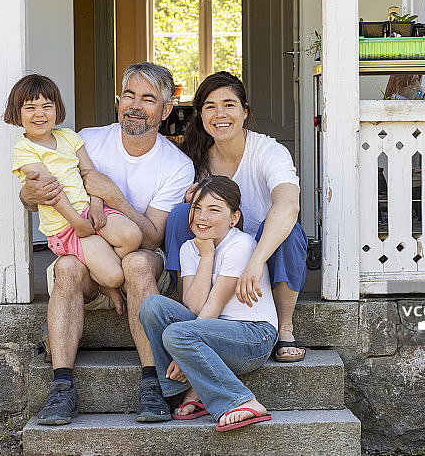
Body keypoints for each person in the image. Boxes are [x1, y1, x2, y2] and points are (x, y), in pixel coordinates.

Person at [20, 63, 195, 425]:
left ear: (165, 110)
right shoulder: (88, 140)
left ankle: (154, 382)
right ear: (119, 101)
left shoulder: (176, 165)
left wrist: (115, 196)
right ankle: (62, 385)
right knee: (67, 266)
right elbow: (37, 194)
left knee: (137, 263)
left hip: (138, 258)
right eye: (129, 95)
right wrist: (28, 193)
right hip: (85, 255)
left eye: (148, 99)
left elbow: (153, 237)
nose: (135, 105)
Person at [164, 71, 308, 362]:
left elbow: (289, 205)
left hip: (262, 254)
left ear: (245, 112)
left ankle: (284, 328)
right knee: (182, 213)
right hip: (213, 254)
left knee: (290, 230)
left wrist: (255, 261)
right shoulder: (192, 157)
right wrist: (189, 198)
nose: (220, 114)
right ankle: (190, 311)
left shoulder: (268, 151)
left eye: (229, 104)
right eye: (210, 106)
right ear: (200, 115)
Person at [139, 176, 278, 431]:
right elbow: (193, 305)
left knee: (177, 334)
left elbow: (212, 306)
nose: (202, 217)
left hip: (252, 336)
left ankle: (241, 400)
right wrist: (207, 254)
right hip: (211, 333)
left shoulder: (241, 244)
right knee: (152, 306)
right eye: (197, 208)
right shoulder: (189, 249)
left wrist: (182, 356)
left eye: (214, 210)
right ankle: (184, 388)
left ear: (233, 218)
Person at [5, 74, 143, 293]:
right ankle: (104, 279)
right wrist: (78, 223)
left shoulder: (69, 137)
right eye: (30, 108)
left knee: (133, 236)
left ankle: (96, 261)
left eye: (47, 106)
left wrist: (97, 207)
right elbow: (50, 192)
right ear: (16, 112)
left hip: (90, 210)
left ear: (57, 109)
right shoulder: (24, 149)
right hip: (66, 225)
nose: (39, 114)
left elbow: (90, 174)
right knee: (115, 276)